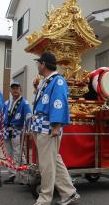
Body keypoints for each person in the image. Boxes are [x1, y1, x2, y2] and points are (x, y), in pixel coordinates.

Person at [31, 52, 80, 205]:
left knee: (46, 165)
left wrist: (56, 126)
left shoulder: (57, 80)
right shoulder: (46, 80)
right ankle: (69, 192)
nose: (37, 66)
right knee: (53, 161)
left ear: (43, 64)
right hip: (41, 125)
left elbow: (58, 103)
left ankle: (45, 199)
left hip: (48, 126)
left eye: (38, 63)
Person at [2, 81, 32, 184]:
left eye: (17, 88)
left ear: (20, 90)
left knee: (18, 153)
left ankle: (23, 174)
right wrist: (0, 129)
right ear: (10, 90)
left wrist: (28, 130)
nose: (15, 90)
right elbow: (2, 117)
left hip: (18, 130)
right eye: (13, 88)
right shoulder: (6, 103)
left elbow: (28, 116)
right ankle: (12, 174)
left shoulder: (24, 103)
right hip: (6, 130)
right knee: (9, 153)